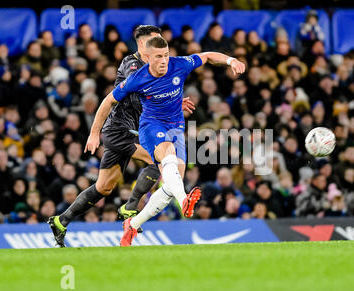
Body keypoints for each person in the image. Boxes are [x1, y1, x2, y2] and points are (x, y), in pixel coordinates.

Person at [47, 25, 196, 247]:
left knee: (104, 187)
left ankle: (61, 221)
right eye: (154, 42)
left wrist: (171, 101)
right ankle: (130, 208)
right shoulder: (133, 65)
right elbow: (133, 96)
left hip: (129, 131)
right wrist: (94, 133)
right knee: (161, 159)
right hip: (120, 131)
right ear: (142, 45)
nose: (159, 48)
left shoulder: (154, 67)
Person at [97, 36, 245, 246]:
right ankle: (184, 199)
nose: (164, 60)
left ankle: (133, 224)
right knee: (168, 157)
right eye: (158, 56)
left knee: (170, 185)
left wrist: (231, 61)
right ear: (148, 57)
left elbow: (208, 56)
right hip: (151, 126)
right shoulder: (137, 78)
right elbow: (108, 101)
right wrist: (95, 133)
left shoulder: (179, 64)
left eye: (166, 55)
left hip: (176, 127)